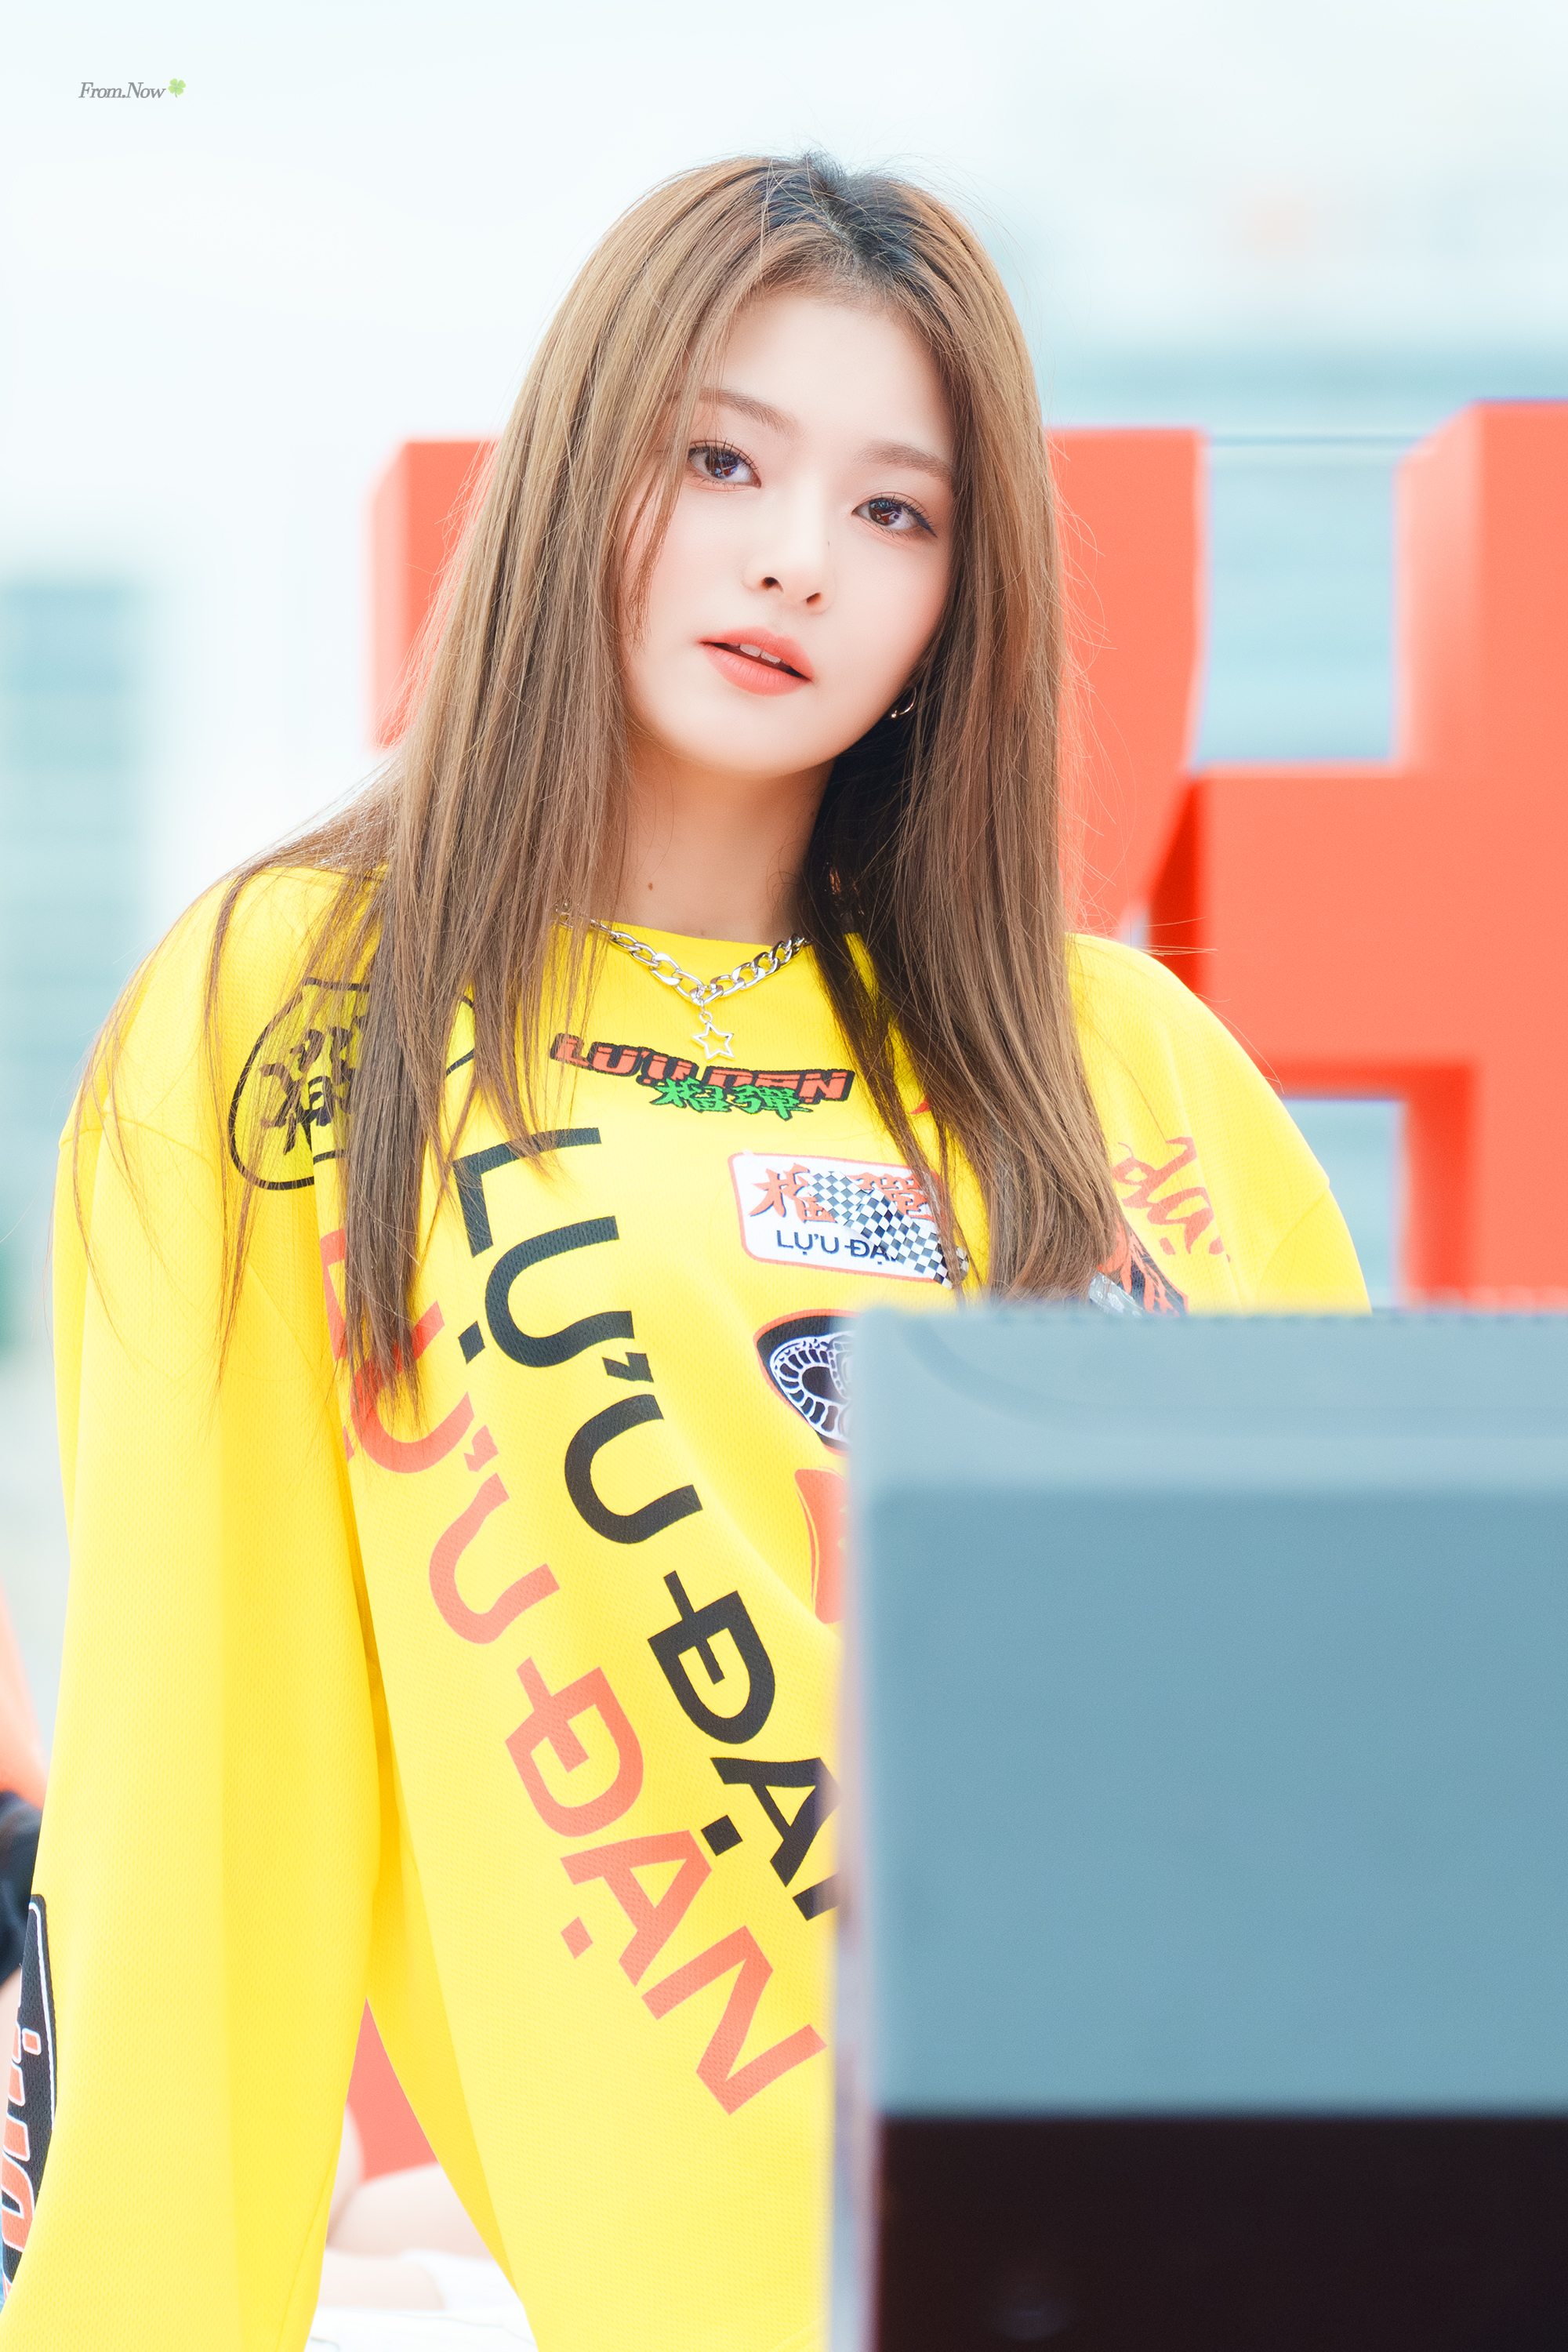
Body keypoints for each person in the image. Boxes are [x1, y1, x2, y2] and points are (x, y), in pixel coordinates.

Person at [2, 154, 1366, 2351]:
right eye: (722, 458)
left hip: (1210, 2222)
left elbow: (1358, 1720)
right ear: (583, 475)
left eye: (895, 510)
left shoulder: (1126, 1067)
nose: (794, 554)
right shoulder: (307, 1010)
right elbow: (204, 1795)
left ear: (961, 600)